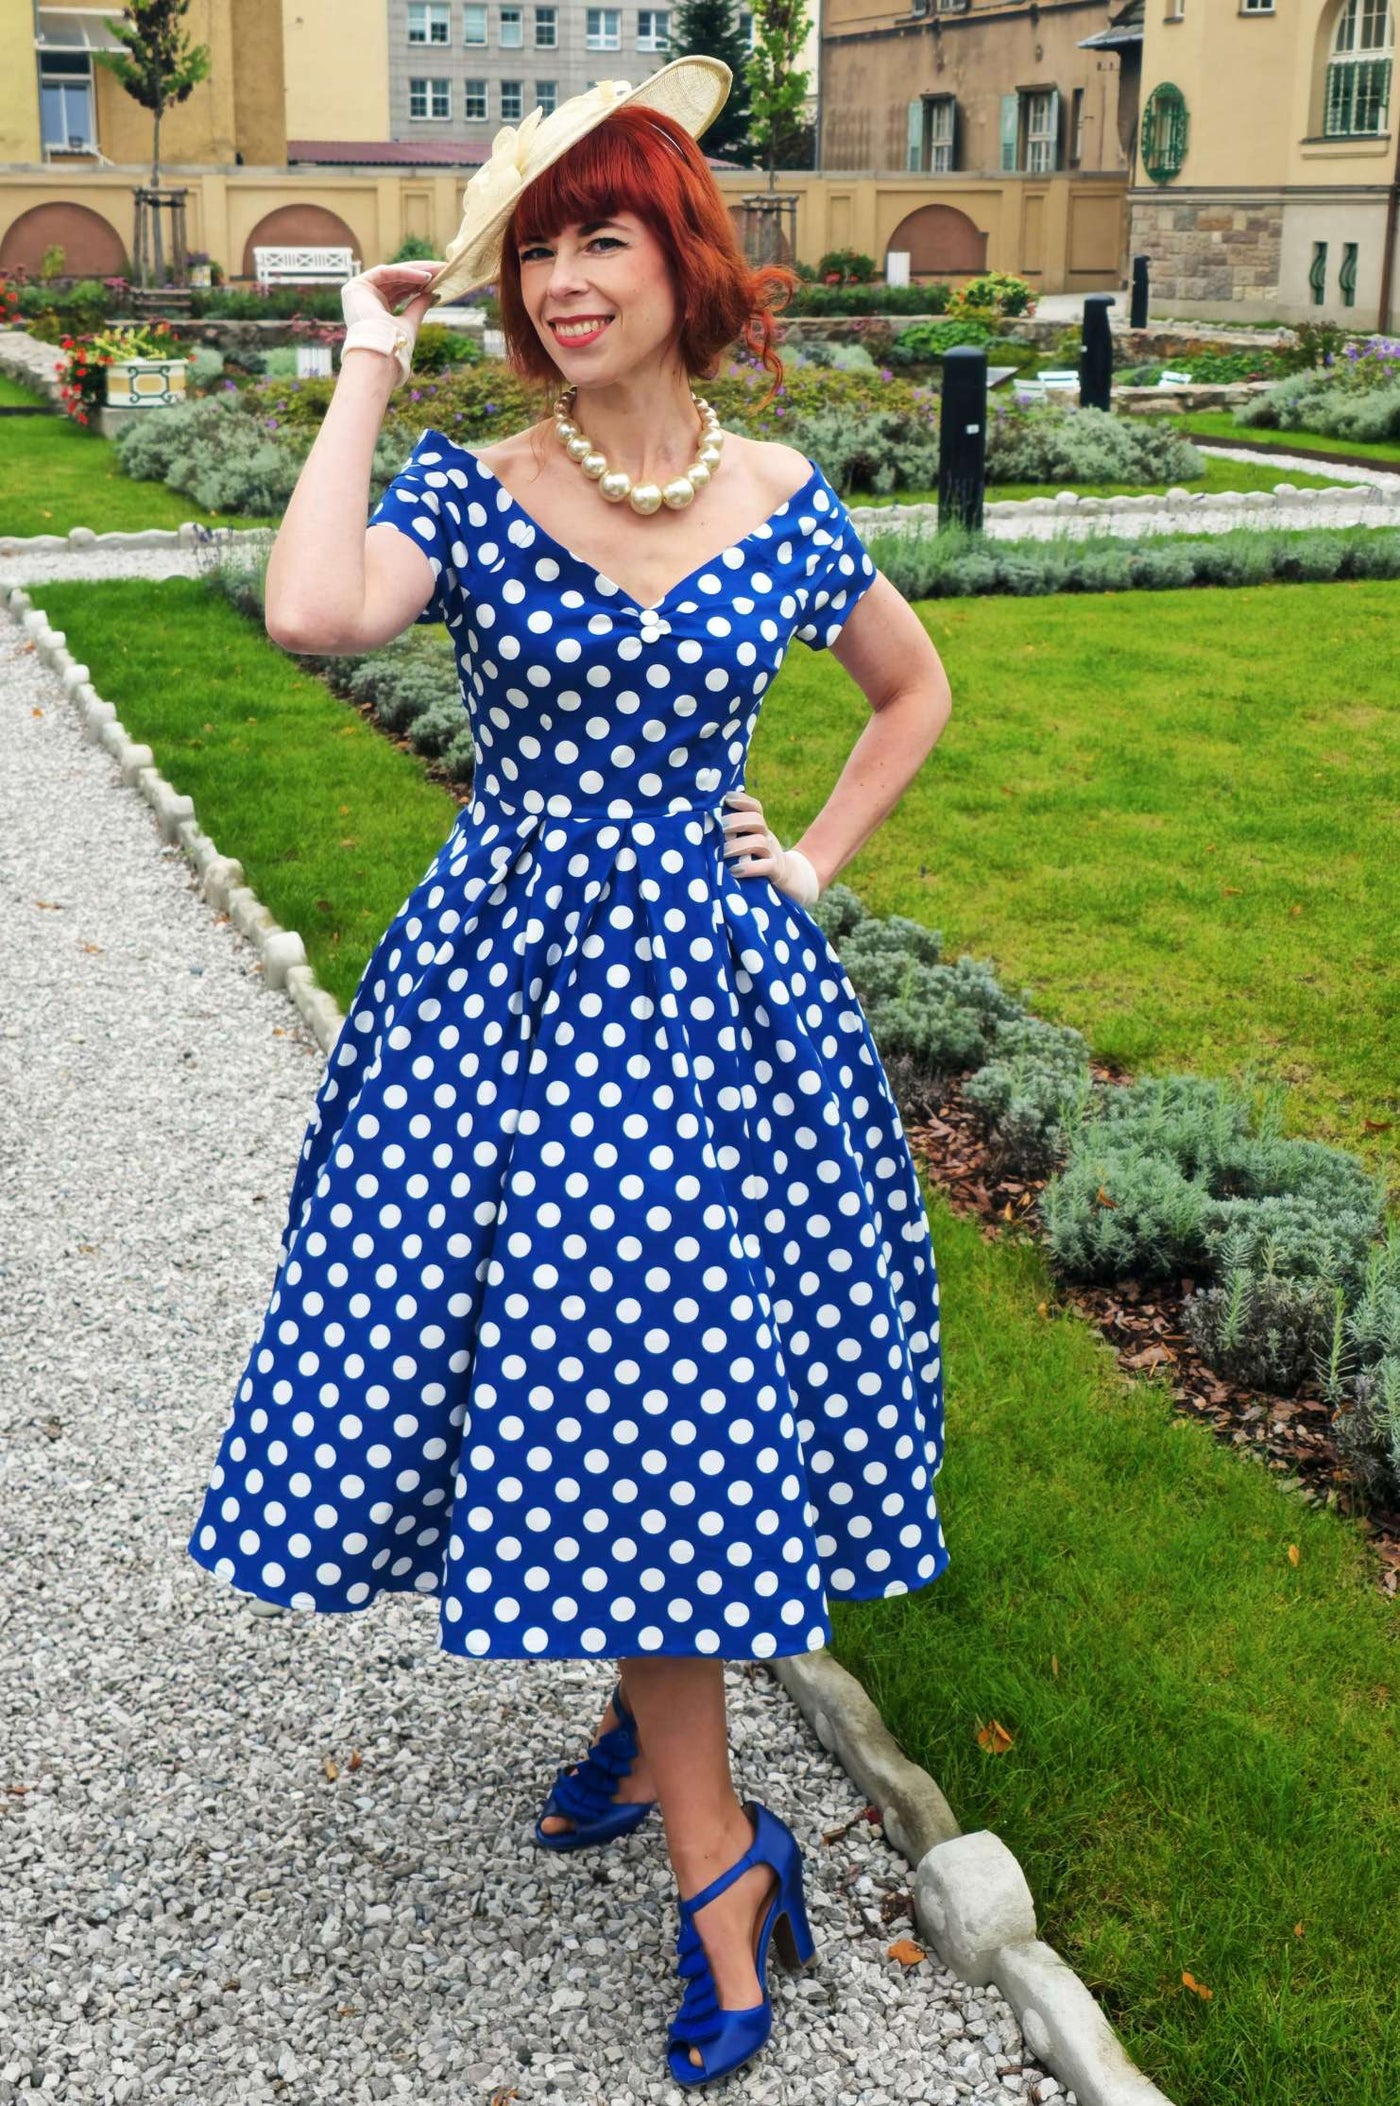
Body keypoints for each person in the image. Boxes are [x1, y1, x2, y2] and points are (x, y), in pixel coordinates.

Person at [186, 56, 954, 2089]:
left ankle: (691, 1801)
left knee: (663, 1379)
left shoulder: (787, 503)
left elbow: (910, 690)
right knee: (593, 1372)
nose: (562, 281)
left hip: (710, 1010)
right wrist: (370, 362)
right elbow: (305, 608)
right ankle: (711, 1822)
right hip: (511, 1008)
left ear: (681, 255)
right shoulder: (468, 484)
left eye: (599, 236)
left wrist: (812, 861)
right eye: (536, 252)